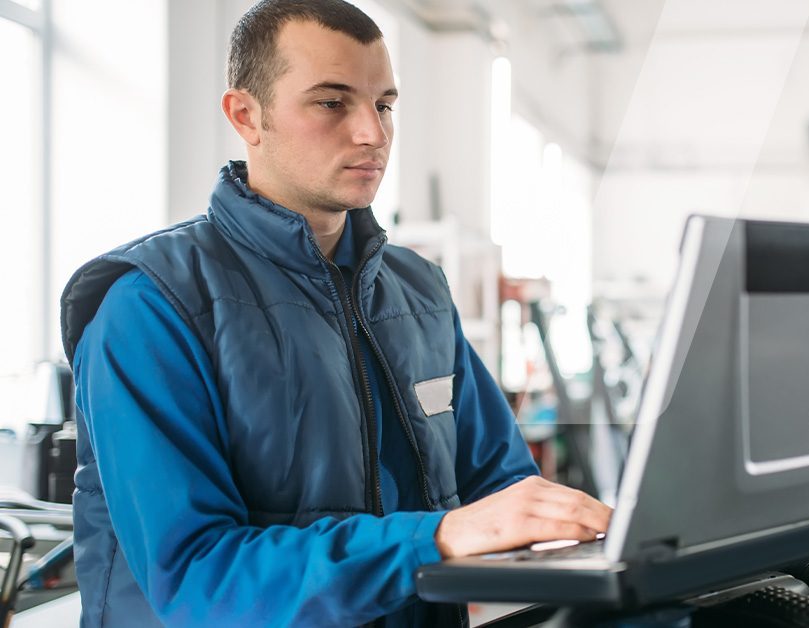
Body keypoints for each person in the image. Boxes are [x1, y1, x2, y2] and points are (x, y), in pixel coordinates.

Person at [60, 1, 611, 625]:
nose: (373, 133)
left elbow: (506, 490)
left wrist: (606, 537)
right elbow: (197, 577)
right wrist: (432, 540)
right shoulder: (154, 305)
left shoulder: (419, 293)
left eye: (384, 105)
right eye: (331, 102)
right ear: (247, 115)